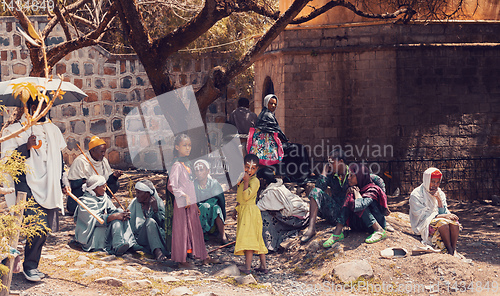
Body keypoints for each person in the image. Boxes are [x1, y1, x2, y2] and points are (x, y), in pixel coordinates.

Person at [1, 98, 70, 282]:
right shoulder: (14, 131)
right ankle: (25, 265)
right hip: (25, 186)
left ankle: (31, 265)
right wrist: (26, 147)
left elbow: (59, 158)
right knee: (37, 226)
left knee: (44, 228)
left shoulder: (53, 130)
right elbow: (7, 161)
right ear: (30, 107)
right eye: (37, 105)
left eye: (46, 105)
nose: (42, 109)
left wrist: (63, 180)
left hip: (50, 186)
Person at [167, 134, 210, 267]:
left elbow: (190, 186)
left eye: (189, 145)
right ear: (177, 147)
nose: (188, 148)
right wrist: (183, 196)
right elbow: (171, 185)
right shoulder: (177, 166)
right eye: (184, 145)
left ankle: (202, 255)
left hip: (190, 203)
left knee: (194, 228)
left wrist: (195, 203)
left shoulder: (188, 164)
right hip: (181, 204)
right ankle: (181, 260)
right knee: (182, 230)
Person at [325, 164, 390, 247]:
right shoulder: (355, 187)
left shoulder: (373, 190)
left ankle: (379, 230)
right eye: (349, 175)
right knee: (350, 197)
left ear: (360, 177)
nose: (348, 178)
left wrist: (356, 193)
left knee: (355, 200)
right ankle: (337, 234)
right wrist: (352, 193)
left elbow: (359, 206)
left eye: (352, 176)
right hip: (359, 226)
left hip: (372, 225)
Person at [74, 175, 138, 255]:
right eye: (103, 186)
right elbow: (95, 221)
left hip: (103, 224)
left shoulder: (104, 197)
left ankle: (130, 243)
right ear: (95, 188)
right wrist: (114, 216)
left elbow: (113, 210)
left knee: (119, 211)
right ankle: (117, 245)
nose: (105, 189)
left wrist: (122, 214)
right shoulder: (85, 202)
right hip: (92, 232)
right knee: (115, 217)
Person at [301, 148, 349, 243]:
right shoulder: (331, 174)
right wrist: (324, 171)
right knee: (315, 191)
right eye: (328, 163)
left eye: (332, 162)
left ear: (341, 161)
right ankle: (311, 229)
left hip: (348, 215)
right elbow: (319, 189)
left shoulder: (353, 173)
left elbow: (371, 178)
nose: (330, 165)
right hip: (334, 212)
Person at [256, 166, 309, 252]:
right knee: (270, 212)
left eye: (258, 180)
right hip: (301, 216)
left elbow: (256, 208)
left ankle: (269, 246)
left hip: (298, 220)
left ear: (263, 180)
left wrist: (257, 191)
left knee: (263, 214)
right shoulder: (277, 186)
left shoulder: (271, 193)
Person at [409, 168, 460, 255]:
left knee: (455, 223)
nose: (435, 185)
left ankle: (453, 248)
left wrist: (439, 200)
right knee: (442, 223)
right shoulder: (416, 194)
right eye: (433, 181)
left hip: (437, 218)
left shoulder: (439, 193)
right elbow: (422, 216)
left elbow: (443, 212)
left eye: (438, 182)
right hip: (423, 223)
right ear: (426, 180)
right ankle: (449, 249)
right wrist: (443, 216)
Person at [67, 135, 122, 215]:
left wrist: (114, 176)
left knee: (114, 184)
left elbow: (107, 180)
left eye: (104, 151)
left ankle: (103, 205)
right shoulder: (81, 161)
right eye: (101, 152)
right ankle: (82, 208)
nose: (104, 154)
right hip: (85, 192)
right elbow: (73, 184)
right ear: (92, 151)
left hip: (99, 190)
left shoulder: (104, 161)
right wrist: (87, 181)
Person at [233, 154, 268, 274]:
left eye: (253, 168)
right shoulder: (241, 179)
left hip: (250, 213)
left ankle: (247, 268)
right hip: (244, 211)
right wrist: (236, 208)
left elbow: (247, 196)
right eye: (247, 167)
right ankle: (263, 266)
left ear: (257, 169)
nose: (249, 170)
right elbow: (240, 196)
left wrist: (247, 182)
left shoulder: (255, 181)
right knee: (256, 238)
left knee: (249, 239)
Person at [128, 180, 168, 261]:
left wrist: (156, 210)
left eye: (139, 193)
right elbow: (129, 223)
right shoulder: (134, 203)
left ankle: (157, 250)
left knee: (150, 221)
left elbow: (163, 225)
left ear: (147, 193)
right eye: (136, 192)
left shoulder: (158, 202)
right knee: (149, 221)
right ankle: (157, 251)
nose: (137, 195)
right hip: (140, 237)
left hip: (157, 236)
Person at [193, 159, 228, 244]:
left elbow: (221, 202)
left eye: (201, 170)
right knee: (204, 207)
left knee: (217, 209)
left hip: (213, 212)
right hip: (199, 214)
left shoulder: (214, 184)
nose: (199, 173)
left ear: (208, 171)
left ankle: (222, 235)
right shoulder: (193, 185)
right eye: (197, 171)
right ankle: (201, 235)